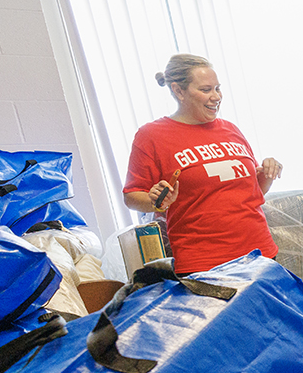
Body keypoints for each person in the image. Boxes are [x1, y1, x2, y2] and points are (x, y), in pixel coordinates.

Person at [122, 53, 284, 274]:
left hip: (260, 254)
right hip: (204, 265)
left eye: (218, 88)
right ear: (179, 91)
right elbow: (132, 196)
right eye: (206, 90)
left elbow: (253, 191)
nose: (216, 97)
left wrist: (267, 173)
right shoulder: (151, 135)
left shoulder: (231, 130)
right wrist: (158, 202)